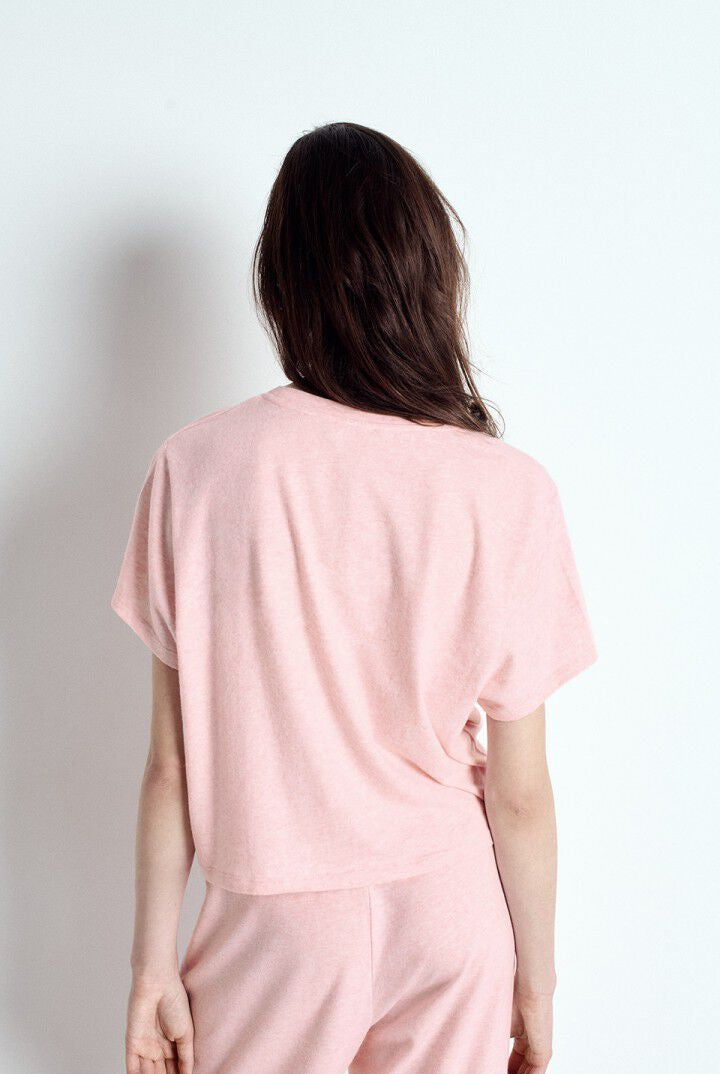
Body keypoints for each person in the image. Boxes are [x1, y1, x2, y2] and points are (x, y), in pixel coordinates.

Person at [111, 122, 597, 1074]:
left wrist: (150, 965)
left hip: (275, 921)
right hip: (452, 911)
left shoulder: (196, 468)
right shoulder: (507, 487)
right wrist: (535, 981)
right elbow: (521, 791)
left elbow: (172, 768)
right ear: (431, 275)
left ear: (280, 282)